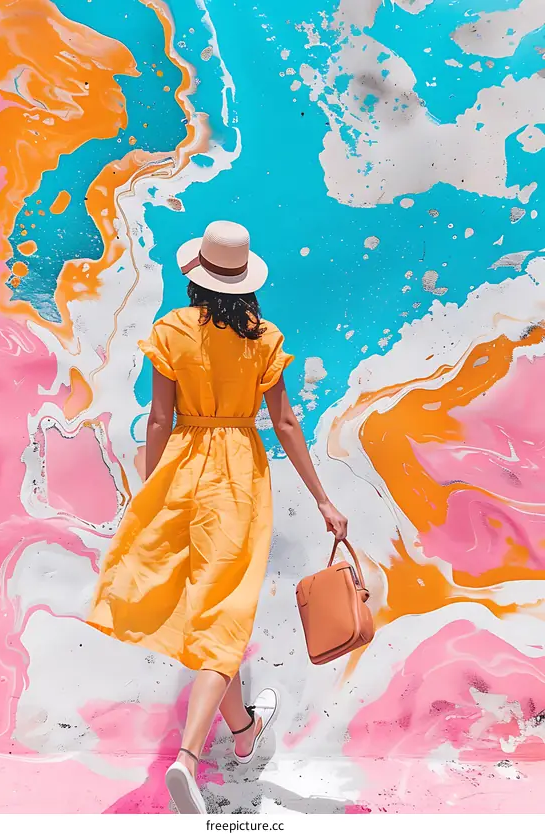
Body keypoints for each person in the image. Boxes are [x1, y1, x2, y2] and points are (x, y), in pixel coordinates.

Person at [88, 220, 348, 814]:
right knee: (224, 615)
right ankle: (186, 757)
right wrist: (324, 500)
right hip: (237, 475)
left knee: (207, 612)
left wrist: (154, 488)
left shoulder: (172, 330)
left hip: (181, 467)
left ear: (197, 279)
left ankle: (244, 732)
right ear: (244, 282)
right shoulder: (265, 339)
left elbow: (158, 419)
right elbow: (284, 424)